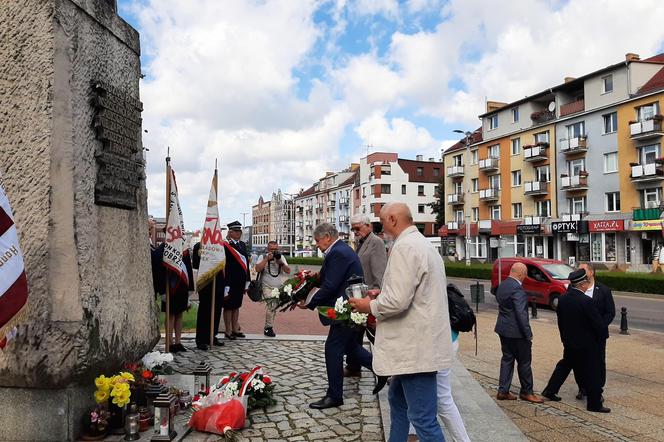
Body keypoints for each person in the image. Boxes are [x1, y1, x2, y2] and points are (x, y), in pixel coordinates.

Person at [349, 202, 451, 442]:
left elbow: (397, 301)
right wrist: (380, 295)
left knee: (424, 420)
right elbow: (408, 293)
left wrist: (370, 305)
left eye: (382, 222)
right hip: (417, 345)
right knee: (397, 400)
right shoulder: (421, 244)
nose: (381, 227)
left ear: (393, 219)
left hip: (415, 349)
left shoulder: (405, 247)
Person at [296, 223, 386, 409]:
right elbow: (327, 276)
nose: (317, 245)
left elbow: (330, 285)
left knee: (333, 349)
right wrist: (311, 279)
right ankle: (383, 371)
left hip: (345, 309)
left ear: (328, 236)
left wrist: (309, 303)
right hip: (350, 308)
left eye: (318, 241)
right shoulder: (338, 250)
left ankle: (335, 396)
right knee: (351, 348)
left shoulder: (338, 252)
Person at [542, 262, 615, 401]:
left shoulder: (603, 290)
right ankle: (588, 392)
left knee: (594, 364)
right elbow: (564, 317)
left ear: (591, 272)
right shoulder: (573, 292)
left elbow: (610, 312)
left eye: (582, 269)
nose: (577, 271)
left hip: (595, 337)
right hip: (580, 338)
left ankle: (595, 390)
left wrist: (601, 328)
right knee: (579, 364)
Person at [494, 262, 543, 403]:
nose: (526, 277)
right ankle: (527, 392)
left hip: (503, 329)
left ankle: (503, 390)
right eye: (525, 274)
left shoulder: (503, 285)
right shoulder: (518, 290)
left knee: (507, 359)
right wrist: (528, 334)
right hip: (517, 332)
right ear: (520, 274)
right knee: (524, 362)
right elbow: (521, 314)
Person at [346, 214, 388, 376]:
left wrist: (375, 298)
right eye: (353, 229)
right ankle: (354, 366)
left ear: (368, 226)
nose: (355, 232)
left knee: (375, 336)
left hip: (370, 297)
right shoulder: (362, 242)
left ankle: (386, 369)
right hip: (361, 297)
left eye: (357, 228)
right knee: (355, 335)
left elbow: (380, 273)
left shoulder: (375, 242)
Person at [151, 242, 194, 353]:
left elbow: (188, 268)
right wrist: (162, 291)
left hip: (182, 286)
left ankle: (178, 342)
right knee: (171, 315)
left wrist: (190, 288)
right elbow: (158, 270)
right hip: (169, 286)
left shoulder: (183, 247)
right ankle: (169, 342)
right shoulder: (162, 249)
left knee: (179, 314)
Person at [254, 240, 291, 337]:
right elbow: (257, 269)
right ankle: (268, 328)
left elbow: (288, 271)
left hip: (278, 288)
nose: (273, 251)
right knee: (272, 306)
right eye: (271, 249)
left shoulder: (281, 257)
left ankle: (269, 327)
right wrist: (266, 259)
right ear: (267, 249)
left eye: (275, 249)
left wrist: (280, 262)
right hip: (266, 286)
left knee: (274, 308)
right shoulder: (262, 257)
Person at [193, 241, 225, 351]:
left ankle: (212, 335)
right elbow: (196, 264)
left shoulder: (219, 247)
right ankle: (201, 339)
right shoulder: (199, 246)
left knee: (216, 311)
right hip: (206, 283)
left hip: (219, 281)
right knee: (205, 311)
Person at [222, 221, 251, 340]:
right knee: (228, 306)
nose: (239, 233)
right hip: (230, 281)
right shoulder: (225, 245)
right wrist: (225, 285)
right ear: (230, 232)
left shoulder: (242, 245)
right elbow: (224, 266)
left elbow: (246, 264)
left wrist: (247, 281)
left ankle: (235, 329)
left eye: (239, 231)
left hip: (240, 281)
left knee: (236, 306)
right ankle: (228, 330)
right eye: (236, 231)